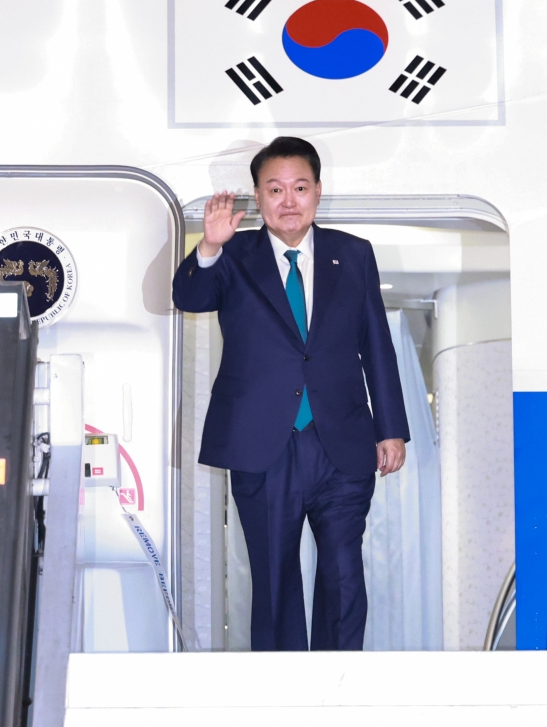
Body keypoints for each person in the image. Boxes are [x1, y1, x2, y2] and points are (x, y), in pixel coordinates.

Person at [172, 137, 409, 651]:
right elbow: (189, 296)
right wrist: (209, 247)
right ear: (257, 196)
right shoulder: (232, 255)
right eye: (274, 189)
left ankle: (339, 690)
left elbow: (377, 345)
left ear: (318, 191)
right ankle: (281, 700)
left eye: (299, 187)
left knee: (345, 575)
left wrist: (390, 428)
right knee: (275, 580)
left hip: (341, 443)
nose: (288, 200)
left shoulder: (353, 254)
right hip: (263, 446)